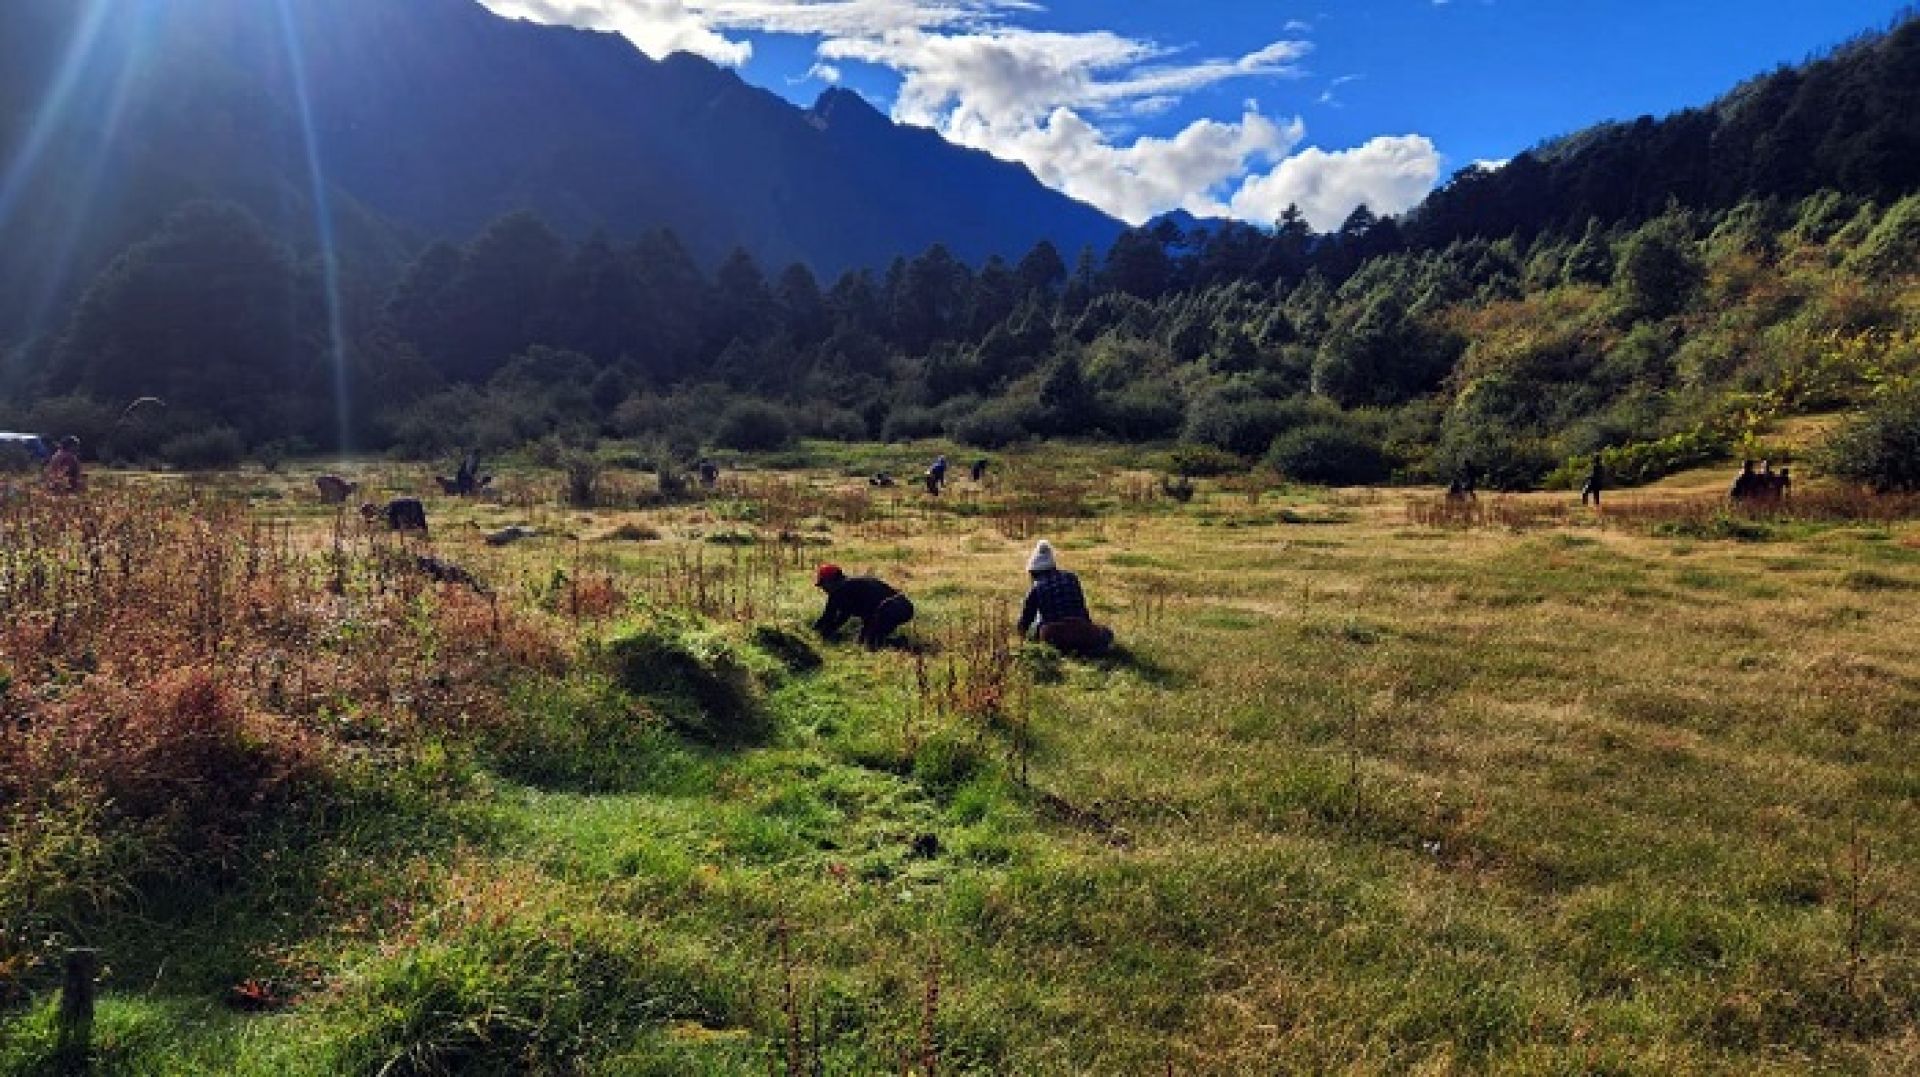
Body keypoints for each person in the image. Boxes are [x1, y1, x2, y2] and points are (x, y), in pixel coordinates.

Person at [1017, 539, 1114, 657]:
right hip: (1081, 629)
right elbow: (1082, 610)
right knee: (1107, 633)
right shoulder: (1072, 577)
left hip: (1054, 635)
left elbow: (1025, 621)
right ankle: (1088, 648)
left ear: (1034, 572)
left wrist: (1021, 641)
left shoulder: (1037, 587)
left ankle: (1069, 651)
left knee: (1039, 628)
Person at [813, 564, 915, 651]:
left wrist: (821, 633)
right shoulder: (849, 585)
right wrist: (822, 631)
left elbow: (836, 616)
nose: (823, 589)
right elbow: (834, 615)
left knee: (868, 643)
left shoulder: (840, 590)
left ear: (831, 581)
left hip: (891, 608)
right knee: (865, 640)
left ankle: (901, 644)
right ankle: (898, 642)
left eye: (823, 584)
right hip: (903, 606)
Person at [361, 498, 429, 535]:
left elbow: (383, 516)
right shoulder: (388, 508)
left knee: (393, 525)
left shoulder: (390, 508)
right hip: (414, 507)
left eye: (367, 514)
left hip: (412, 508)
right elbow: (382, 516)